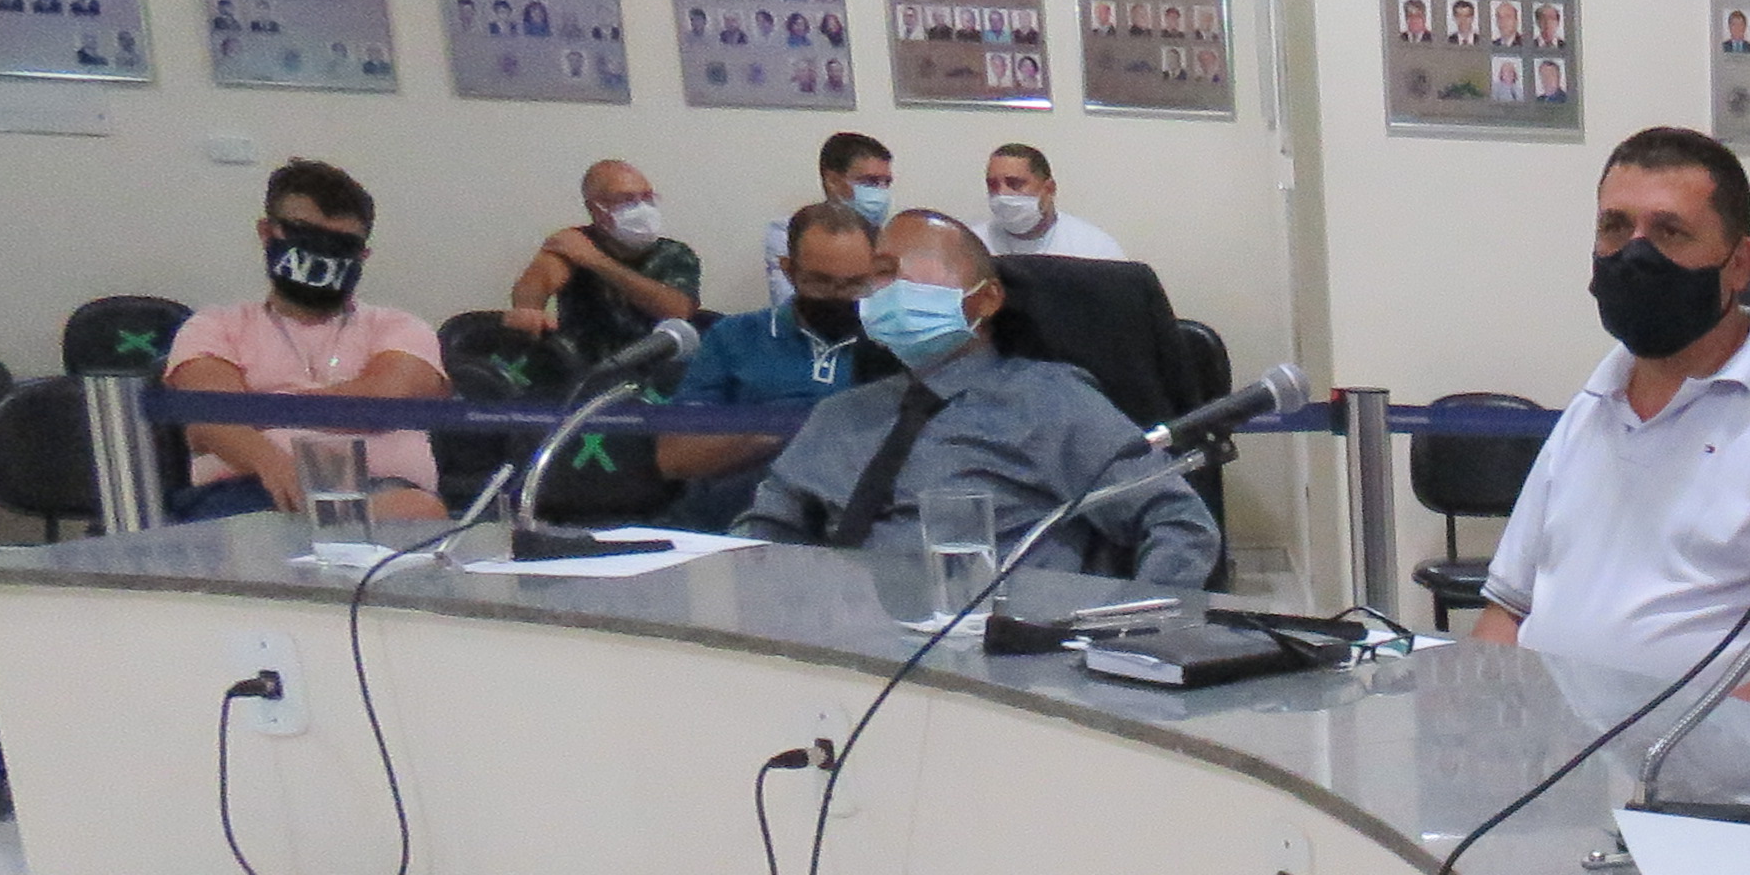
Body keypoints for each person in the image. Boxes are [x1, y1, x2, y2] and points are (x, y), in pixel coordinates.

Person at [1468, 126, 1750, 708]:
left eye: (1669, 232)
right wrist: (1486, 719)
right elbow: (1507, 610)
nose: (1635, 254)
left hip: (1711, 758)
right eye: (1615, 227)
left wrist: (1681, 739)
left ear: (1739, 264)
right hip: (1557, 749)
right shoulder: (1591, 407)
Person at [735, 206, 1218, 593]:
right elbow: (765, 529)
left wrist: (1124, 636)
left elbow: (1180, 524)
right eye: (875, 278)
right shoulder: (840, 414)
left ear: (985, 300)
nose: (883, 292)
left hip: (996, 649)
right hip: (834, 648)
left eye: (899, 274)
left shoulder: (1049, 401)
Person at [158, 158, 447, 524]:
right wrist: (274, 465)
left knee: (417, 511)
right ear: (267, 232)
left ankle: (323, 528)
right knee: (252, 529)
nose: (320, 252)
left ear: (362, 255)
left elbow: (383, 399)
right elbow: (211, 416)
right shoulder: (214, 326)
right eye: (304, 235)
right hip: (247, 493)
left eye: (339, 244)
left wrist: (259, 410)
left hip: (383, 495)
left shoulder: (401, 327)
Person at [659, 199, 886, 530]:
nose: (838, 295)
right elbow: (675, 458)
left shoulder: (891, 345)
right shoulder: (734, 337)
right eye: (820, 282)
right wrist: (785, 430)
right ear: (789, 270)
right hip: (740, 521)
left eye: (854, 284)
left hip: (855, 521)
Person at [502, 158, 702, 369]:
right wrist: (528, 311)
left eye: (647, 197)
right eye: (626, 199)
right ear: (596, 209)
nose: (642, 207)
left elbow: (676, 310)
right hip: (582, 371)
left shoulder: (676, 253)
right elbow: (535, 286)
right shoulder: (576, 242)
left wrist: (594, 260)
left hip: (655, 373)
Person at [763, 129, 894, 304]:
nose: (881, 192)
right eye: (869, 182)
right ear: (832, 181)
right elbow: (790, 303)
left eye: (886, 183)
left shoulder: (894, 237)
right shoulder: (787, 232)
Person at [981, 142, 1126, 258]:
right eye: (992, 185)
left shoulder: (1094, 248)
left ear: (1049, 189)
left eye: (1014, 183)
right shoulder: (974, 246)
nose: (1001, 193)